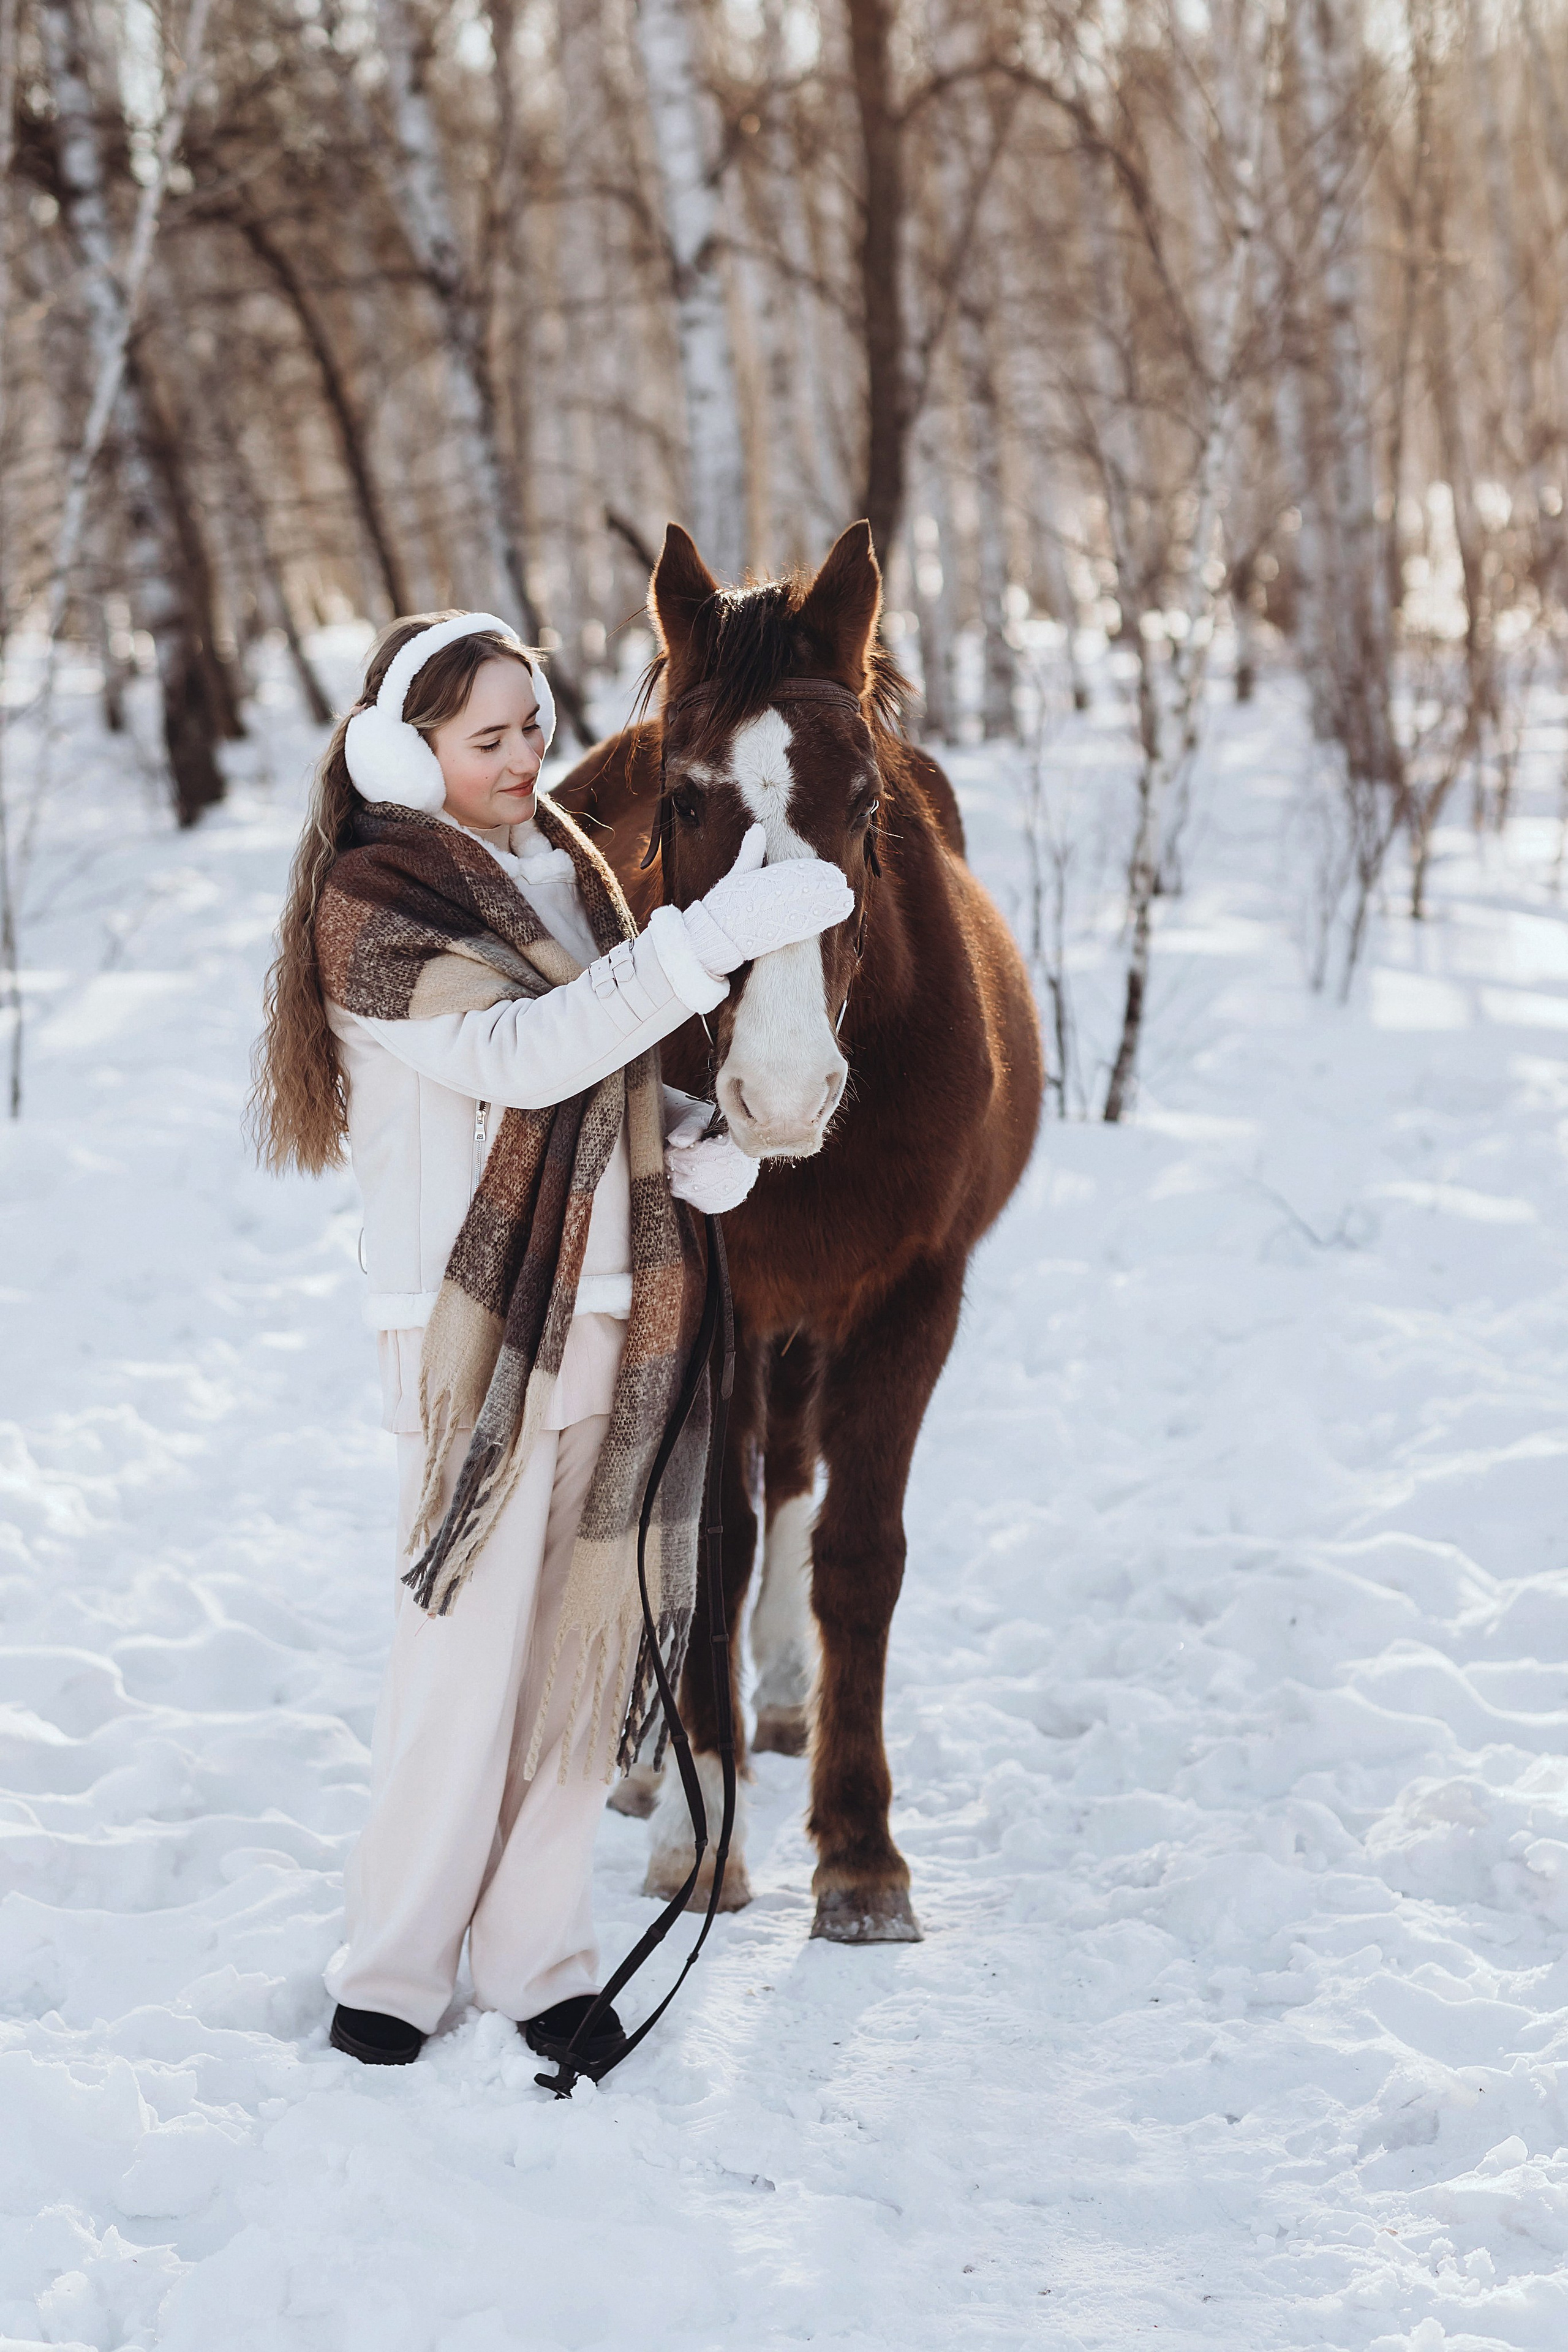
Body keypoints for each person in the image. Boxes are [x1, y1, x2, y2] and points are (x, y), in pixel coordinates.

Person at [251, 609, 852, 2069]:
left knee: (583, 1649)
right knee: (460, 1669)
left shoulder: (565, 881)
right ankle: (391, 1972)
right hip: (470, 1333)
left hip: (609, 1307)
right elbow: (523, 1057)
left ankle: (539, 1957)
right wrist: (710, 936)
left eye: (533, 726)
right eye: (488, 740)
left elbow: (614, 1075)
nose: (528, 759)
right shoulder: (373, 902)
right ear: (408, 755)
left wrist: (699, 1147)